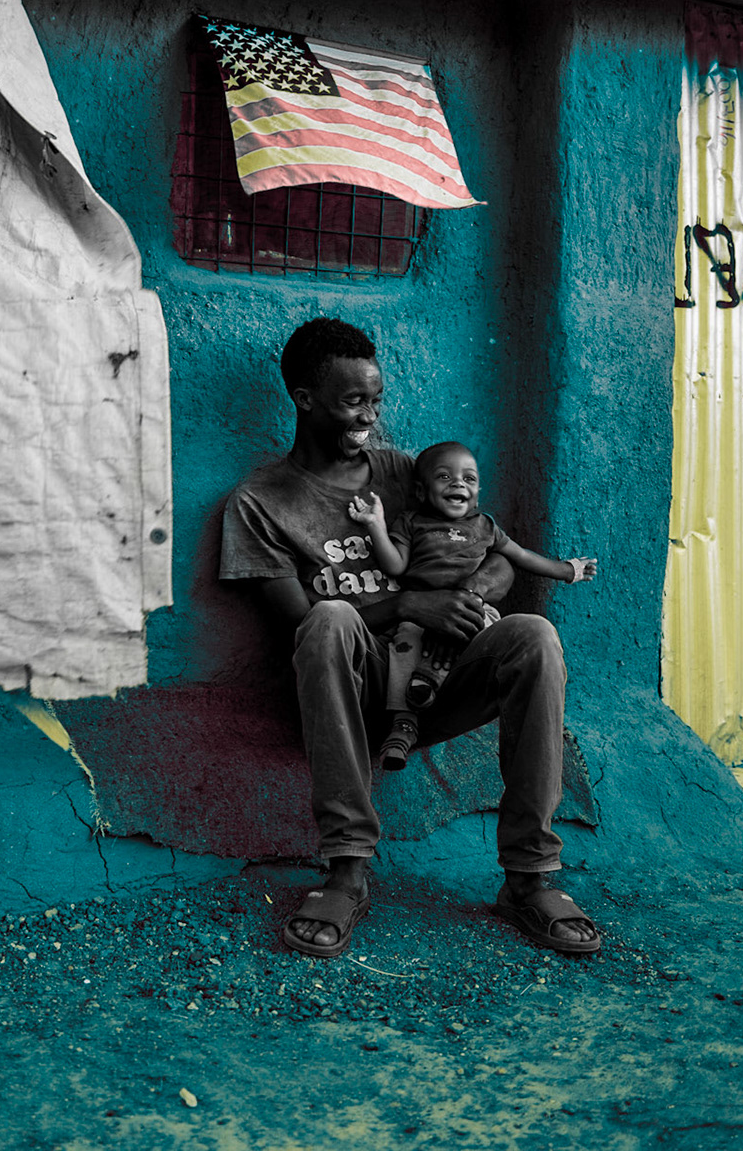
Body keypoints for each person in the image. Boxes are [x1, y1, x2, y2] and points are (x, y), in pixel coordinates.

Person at [219, 317, 601, 958]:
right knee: (331, 616)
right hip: (353, 689)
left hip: (441, 680)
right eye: (352, 402)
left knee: (533, 634)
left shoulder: (407, 472)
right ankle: (346, 872)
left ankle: (530, 877)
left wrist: (472, 597)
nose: (368, 417)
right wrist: (410, 602)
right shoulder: (259, 503)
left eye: (375, 400)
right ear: (304, 399)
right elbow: (299, 622)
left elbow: (495, 550)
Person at [346, 440, 599, 771]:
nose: (457, 484)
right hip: (424, 618)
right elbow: (395, 565)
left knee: (493, 643)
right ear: (422, 492)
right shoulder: (411, 522)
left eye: (468, 479)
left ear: (478, 492)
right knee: (403, 647)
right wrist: (376, 523)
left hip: (476, 614)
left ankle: (433, 680)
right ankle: (403, 724)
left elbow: (522, 557)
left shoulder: (486, 527)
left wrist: (568, 570)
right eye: (444, 477)